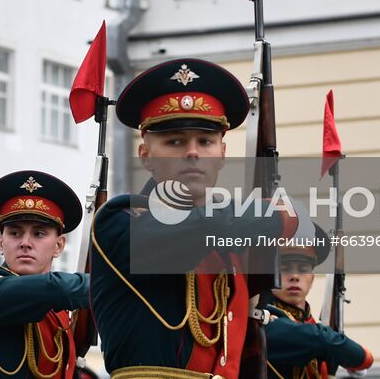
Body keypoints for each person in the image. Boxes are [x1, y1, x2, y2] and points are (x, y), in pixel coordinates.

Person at [89, 58, 310, 379]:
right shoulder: (119, 221)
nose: (192, 152)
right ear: (145, 156)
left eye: (204, 141)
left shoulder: (232, 246)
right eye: (174, 141)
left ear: (222, 154)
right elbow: (197, 228)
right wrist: (275, 214)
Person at [0, 170, 89, 379]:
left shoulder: (61, 315)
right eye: (15, 233)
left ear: (59, 245)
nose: (25, 242)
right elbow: (53, 288)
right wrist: (109, 284)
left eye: (38, 233)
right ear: (1, 242)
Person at [263, 225, 372, 379]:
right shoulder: (262, 316)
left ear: (312, 278)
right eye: (285, 268)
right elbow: (317, 338)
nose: (294, 276)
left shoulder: (312, 325)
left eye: (302, 269)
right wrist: (361, 357)